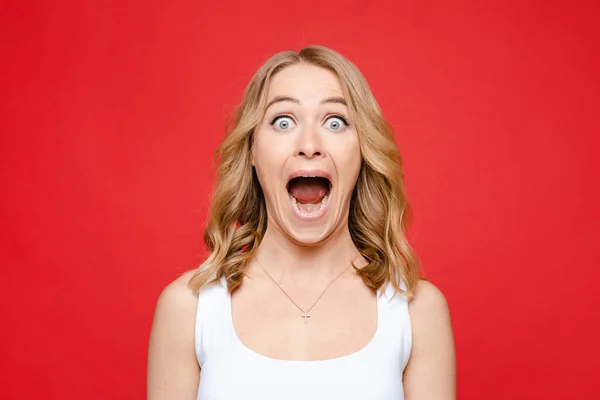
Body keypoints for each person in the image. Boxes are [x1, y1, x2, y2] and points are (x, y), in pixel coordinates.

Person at [147, 45, 455, 399]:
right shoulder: (189, 310)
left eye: (335, 122)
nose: (309, 144)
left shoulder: (417, 312)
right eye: (283, 121)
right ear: (252, 151)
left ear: (363, 151)